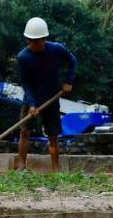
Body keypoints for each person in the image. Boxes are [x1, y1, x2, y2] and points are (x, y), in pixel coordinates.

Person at [16, 17, 77, 172]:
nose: (31, 44)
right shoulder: (23, 57)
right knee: (24, 131)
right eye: (28, 40)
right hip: (31, 99)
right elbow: (26, 83)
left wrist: (69, 81)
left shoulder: (56, 50)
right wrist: (31, 104)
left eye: (35, 41)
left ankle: (55, 170)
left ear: (43, 39)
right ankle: (22, 166)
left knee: (53, 135)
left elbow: (72, 61)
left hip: (51, 98)